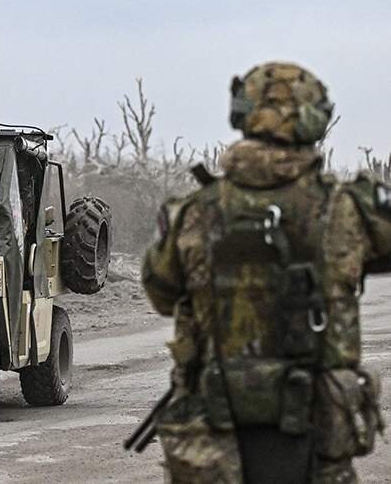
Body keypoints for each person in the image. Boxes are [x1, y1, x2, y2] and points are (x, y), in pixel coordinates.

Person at [141, 62, 387, 483]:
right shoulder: (348, 209)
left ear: (242, 115)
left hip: (213, 439)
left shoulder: (194, 213)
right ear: (316, 120)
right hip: (316, 432)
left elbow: (161, 294)